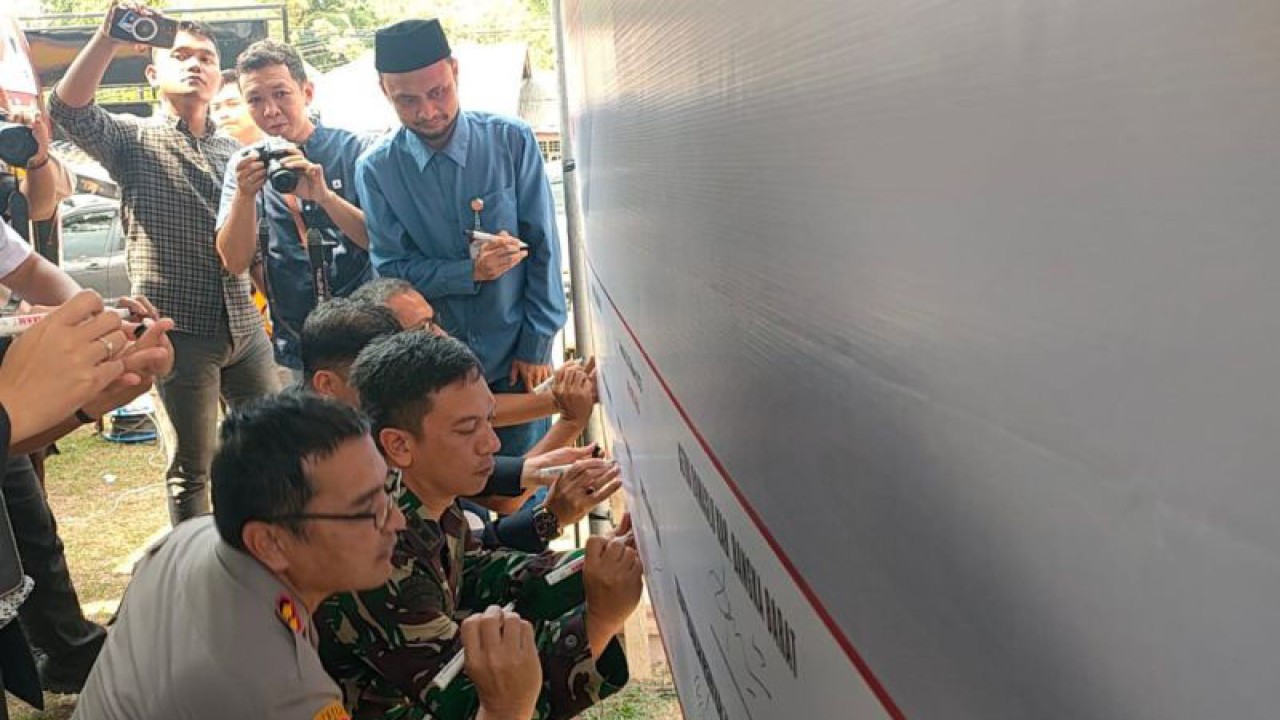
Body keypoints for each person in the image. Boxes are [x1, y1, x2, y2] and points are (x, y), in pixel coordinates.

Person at [73, 392, 545, 720]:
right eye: (368, 512)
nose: (397, 522)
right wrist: (506, 709)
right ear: (271, 542)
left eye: (387, 494)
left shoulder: (191, 538)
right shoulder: (278, 692)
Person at [317, 332, 638, 720]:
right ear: (399, 445)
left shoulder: (413, 490)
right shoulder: (377, 555)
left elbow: (474, 570)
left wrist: (586, 567)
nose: (492, 444)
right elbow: (492, 705)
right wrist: (600, 619)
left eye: (489, 420)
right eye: (467, 429)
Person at [50, 2, 281, 524]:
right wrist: (109, 37)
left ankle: (259, 554)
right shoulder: (133, 140)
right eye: (180, 56)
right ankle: (195, 574)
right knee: (190, 470)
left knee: (269, 451)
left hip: (247, 328)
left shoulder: (237, 152)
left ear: (218, 76)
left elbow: (255, 249)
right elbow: (68, 110)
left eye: (205, 57)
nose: (195, 65)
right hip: (178, 332)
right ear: (153, 74)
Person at [358, 19, 567, 456]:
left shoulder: (511, 140)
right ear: (383, 90)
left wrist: (536, 343)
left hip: (516, 358)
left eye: (438, 92)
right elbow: (392, 270)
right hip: (433, 373)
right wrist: (468, 271)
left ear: (455, 71)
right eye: (407, 100)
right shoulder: (376, 169)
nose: (428, 111)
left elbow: (543, 246)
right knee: (457, 502)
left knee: (528, 486)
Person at [298, 298, 611, 553]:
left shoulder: (375, 435)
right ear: (327, 384)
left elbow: (469, 559)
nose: (492, 443)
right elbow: (470, 564)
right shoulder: (348, 495)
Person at [216, 40, 374, 382]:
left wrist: (324, 197)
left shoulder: (355, 151)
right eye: (255, 100)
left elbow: (380, 241)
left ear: (307, 92)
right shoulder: (243, 166)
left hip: (369, 328)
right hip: (298, 337)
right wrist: (245, 196)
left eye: (281, 94)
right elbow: (233, 261)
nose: (270, 110)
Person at [210, 68, 262, 146]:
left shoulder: (284, 147)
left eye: (233, 104)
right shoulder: (199, 156)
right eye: (216, 108)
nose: (223, 114)